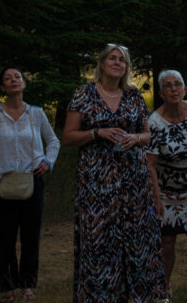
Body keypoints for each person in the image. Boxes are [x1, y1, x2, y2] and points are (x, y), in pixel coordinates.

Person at [63, 44, 165, 303]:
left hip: (134, 180)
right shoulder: (84, 94)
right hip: (97, 180)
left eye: (122, 60)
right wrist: (97, 132)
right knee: (99, 240)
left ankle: (142, 296)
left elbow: (148, 134)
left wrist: (135, 138)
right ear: (102, 63)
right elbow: (69, 136)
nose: (117, 63)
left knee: (137, 238)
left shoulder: (133, 95)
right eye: (112, 58)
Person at [0, 66, 61, 302]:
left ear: (24, 83)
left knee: (30, 237)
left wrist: (48, 161)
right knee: (5, 238)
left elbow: (53, 141)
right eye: (8, 78)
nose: (14, 80)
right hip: (4, 183)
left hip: (32, 180)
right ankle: (8, 287)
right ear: (2, 87)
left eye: (17, 76)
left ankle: (27, 284)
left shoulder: (36, 114)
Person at [146, 70, 187, 302]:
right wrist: (156, 197)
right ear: (161, 93)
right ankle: (164, 288)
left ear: (185, 89)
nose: (174, 89)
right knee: (167, 241)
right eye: (168, 85)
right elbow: (150, 164)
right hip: (166, 191)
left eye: (178, 84)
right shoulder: (153, 122)